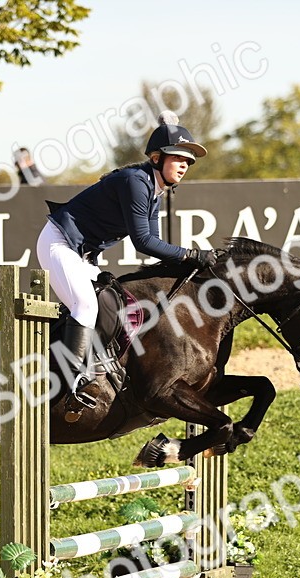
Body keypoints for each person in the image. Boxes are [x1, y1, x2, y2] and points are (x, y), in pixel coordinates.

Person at [38, 112, 212, 406]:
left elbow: (154, 244)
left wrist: (188, 262)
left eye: (188, 161)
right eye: (178, 158)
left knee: (114, 303)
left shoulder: (154, 191)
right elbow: (142, 241)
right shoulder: (136, 182)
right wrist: (190, 254)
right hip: (59, 243)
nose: (185, 165)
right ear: (156, 158)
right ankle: (72, 384)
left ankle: (93, 365)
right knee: (86, 305)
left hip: (83, 254)